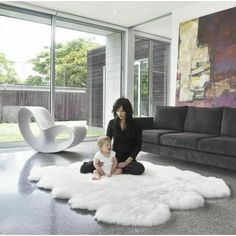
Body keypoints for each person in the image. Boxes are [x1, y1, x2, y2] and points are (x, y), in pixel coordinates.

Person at [81, 97, 145, 175]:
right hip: (113, 156)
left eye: (122, 111)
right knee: (85, 168)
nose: (120, 113)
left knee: (139, 169)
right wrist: (102, 158)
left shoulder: (136, 124)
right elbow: (106, 141)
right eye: (117, 110)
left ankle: (116, 168)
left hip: (129, 158)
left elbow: (138, 146)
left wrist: (125, 162)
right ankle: (116, 168)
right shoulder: (112, 123)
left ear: (128, 111)